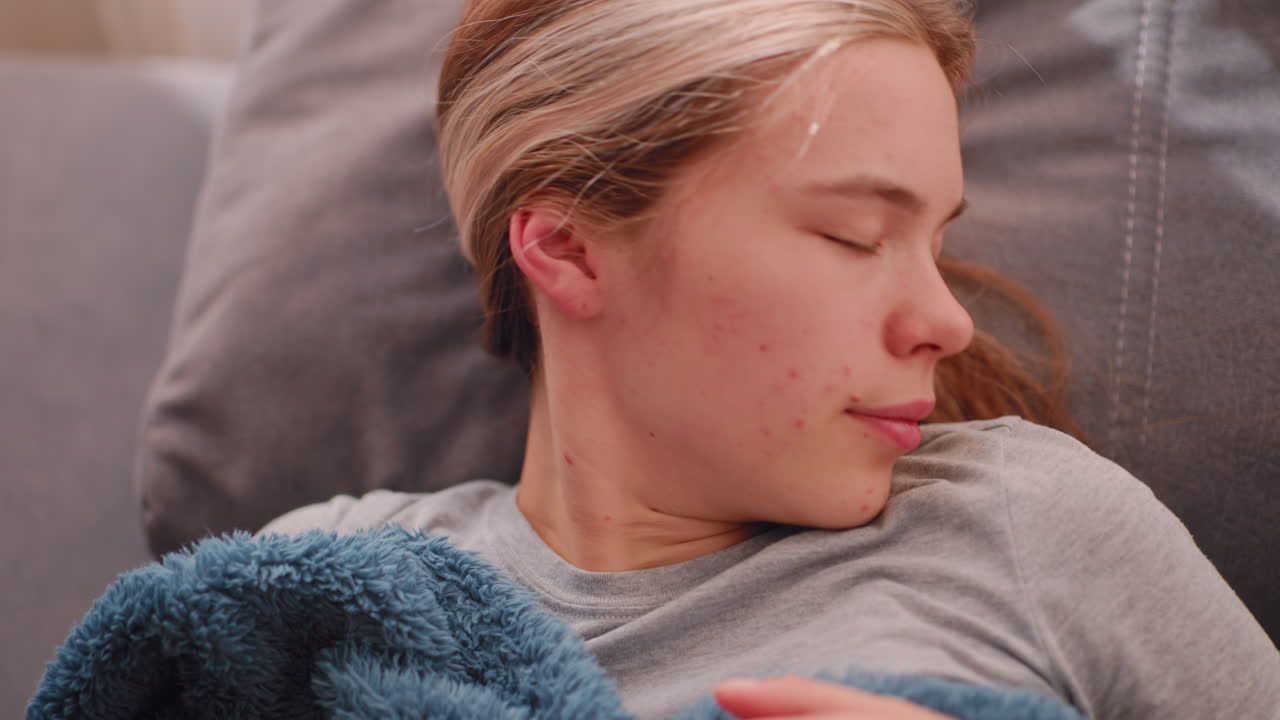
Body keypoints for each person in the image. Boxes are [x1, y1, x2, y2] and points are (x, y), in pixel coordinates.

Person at [261, 1, 1280, 718]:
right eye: (852, 236)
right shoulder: (324, 582)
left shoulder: (1025, 525)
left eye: (936, 244)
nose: (946, 320)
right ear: (566, 247)